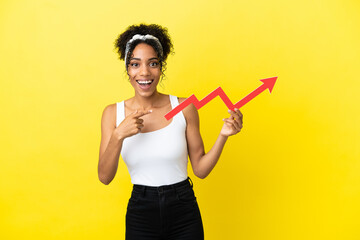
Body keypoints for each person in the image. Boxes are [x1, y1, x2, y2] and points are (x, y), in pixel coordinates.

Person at [98, 23, 243, 240]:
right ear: (127, 69)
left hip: (183, 209)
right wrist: (119, 134)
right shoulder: (113, 113)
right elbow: (104, 177)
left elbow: (201, 170)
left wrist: (223, 135)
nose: (144, 72)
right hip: (141, 212)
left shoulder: (185, 107)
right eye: (135, 64)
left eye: (153, 63)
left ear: (161, 67)